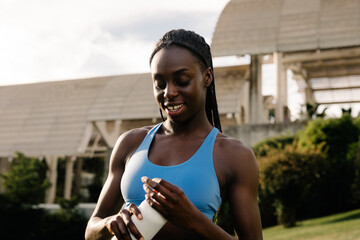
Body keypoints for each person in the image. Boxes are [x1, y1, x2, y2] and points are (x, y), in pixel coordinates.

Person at [85, 29, 263, 240]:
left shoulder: (234, 155)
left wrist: (194, 220)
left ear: (207, 77)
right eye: (160, 84)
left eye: (181, 80)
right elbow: (91, 229)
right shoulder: (130, 143)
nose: (168, 92)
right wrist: (109, 224)